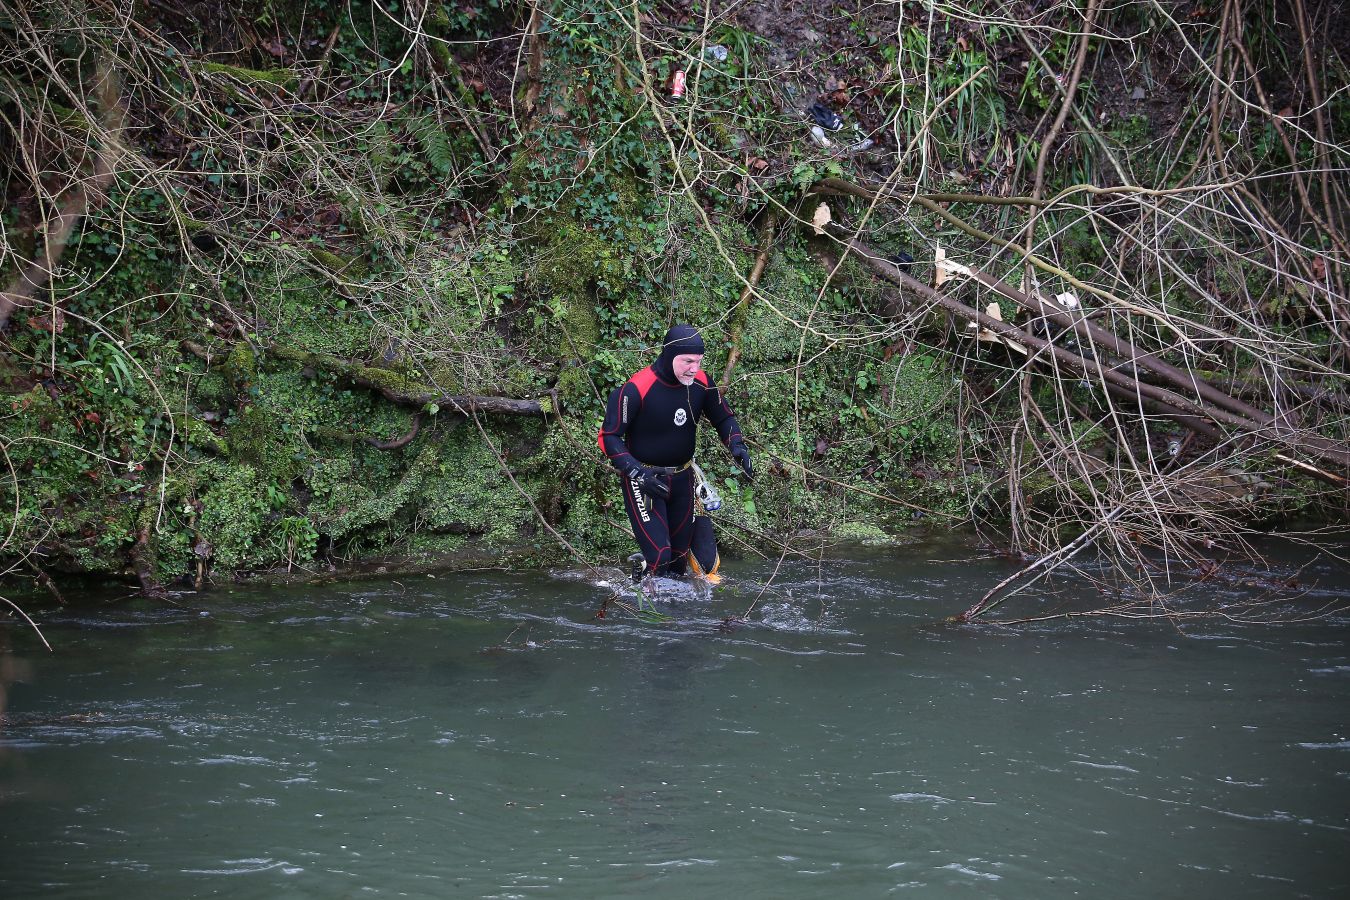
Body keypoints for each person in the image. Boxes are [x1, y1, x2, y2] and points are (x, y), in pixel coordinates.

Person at [597, 325, 752, 579]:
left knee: (679, 562)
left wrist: (736, 444)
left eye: (699, 361)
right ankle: (646, 598)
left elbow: (723, 418)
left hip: (683, 478)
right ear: (669, 356)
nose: (694, 368)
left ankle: (675, 614)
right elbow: (608, 437)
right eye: (688, 361)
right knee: (660, 556)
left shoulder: (700, 383)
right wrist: (638, 473)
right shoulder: (637, 388)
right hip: (645, 480)